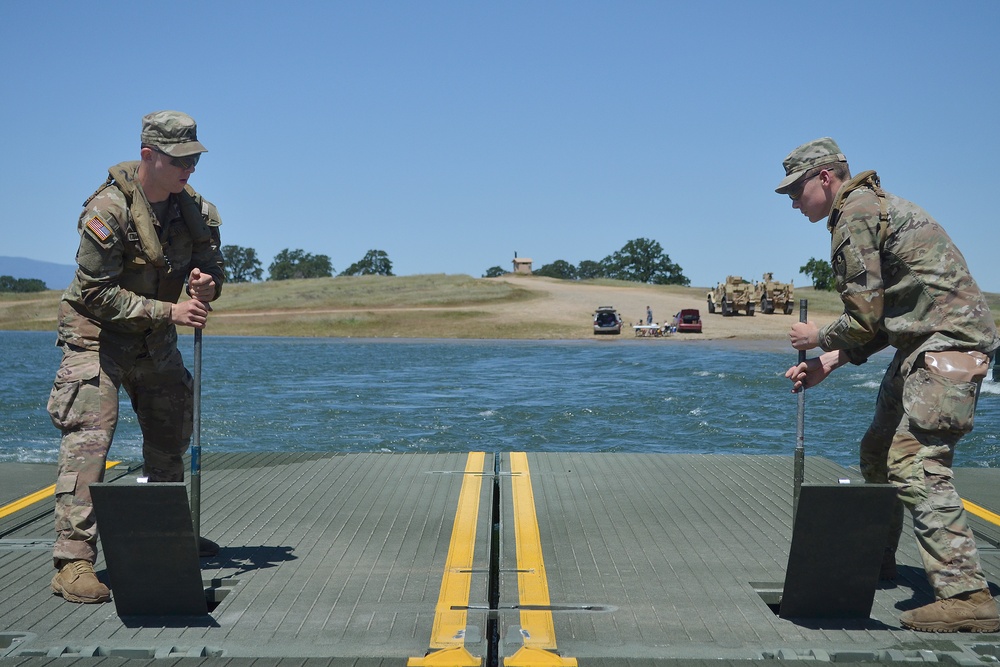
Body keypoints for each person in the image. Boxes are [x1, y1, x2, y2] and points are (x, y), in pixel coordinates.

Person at [777, 137, 999, 633]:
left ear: (825, 179)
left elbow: (864, 317)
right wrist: (831, 361)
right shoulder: (869, 207)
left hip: (946, 346)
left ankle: (966, 595)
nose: (792, 202)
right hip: (923, 344)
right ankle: (877, 560)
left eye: (796, 190)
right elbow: (891, 315)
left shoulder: (854, 217)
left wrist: (818, 336)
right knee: (878, 450)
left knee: (916, 460)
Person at [46, 111, 225, 604]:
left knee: (171, 429)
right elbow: (96, 293)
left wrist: (208, 284)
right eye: (179, 159)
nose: (190, 168)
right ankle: (73, 559)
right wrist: (171, 309)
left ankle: (163, 536)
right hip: (97, 337)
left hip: (155, 338)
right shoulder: (107, 212)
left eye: (194, 158)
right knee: (92, 435)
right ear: (149, 156)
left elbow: (211, 269)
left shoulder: (196, 211)